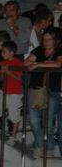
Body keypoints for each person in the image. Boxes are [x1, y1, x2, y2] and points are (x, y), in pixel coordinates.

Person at [24, 27, 62, 158]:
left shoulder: (59, 51)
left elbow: (58, 65)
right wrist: (43, 62)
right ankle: (40, 145)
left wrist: (38, 65)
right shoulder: (38, 50)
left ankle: (49, 147)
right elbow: (26, 62)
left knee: (48, 122)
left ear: (55, 40)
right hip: (35, 90)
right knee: (34, 121)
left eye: (48, 39)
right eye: (44, 39)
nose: (45, 42)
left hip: (51, 91)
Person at [0, 41, 23, 146]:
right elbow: (1, 79)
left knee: (14, 115)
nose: (2, 54)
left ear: (11, 53)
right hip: (4, 91)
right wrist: (3, 73)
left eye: (4, 52)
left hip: (15, 93)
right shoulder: (2, 63)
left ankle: (13, 136)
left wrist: (8, 72)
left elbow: (19, 79)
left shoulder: (18, 63)